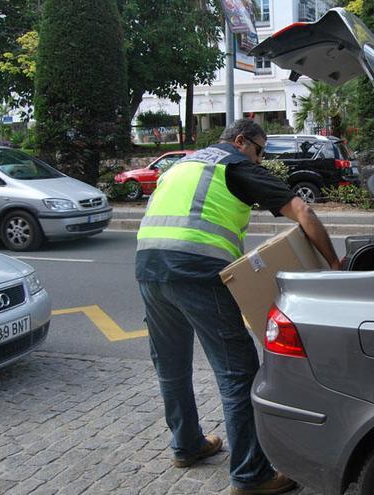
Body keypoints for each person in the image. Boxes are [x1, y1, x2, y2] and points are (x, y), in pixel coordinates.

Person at [135, 119, 341, 495]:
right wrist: (335, 264)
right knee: (237, 374)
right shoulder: (234, 164)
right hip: (197, 272)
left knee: (171, 365)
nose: (261, 160)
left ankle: (186, 445)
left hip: (148, 269)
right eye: (260, 151)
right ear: (242, 141)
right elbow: (304, 213)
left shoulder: (181, 165)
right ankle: (251, 476)